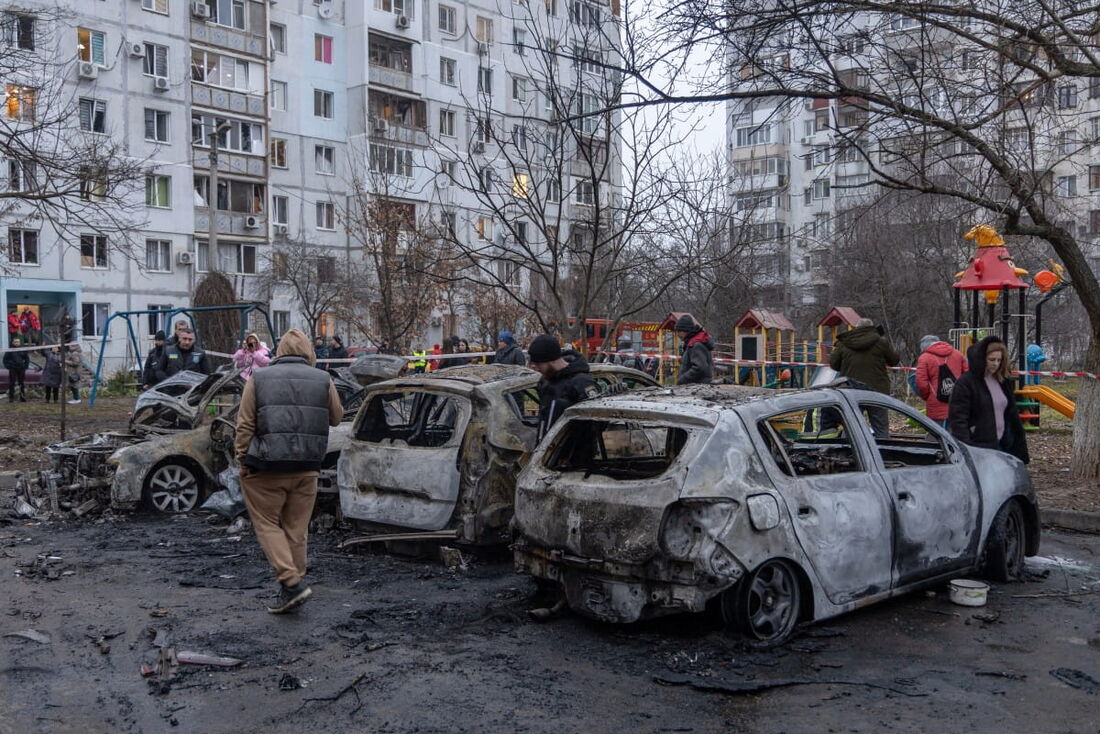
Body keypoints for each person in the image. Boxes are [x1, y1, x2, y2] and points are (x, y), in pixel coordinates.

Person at [234, 328, 344, 614]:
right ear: (309, 351)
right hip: (308, 465)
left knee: (267, 523)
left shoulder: (259, 378)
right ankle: (292, 588)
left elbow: (245, 424)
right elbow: (337, 417)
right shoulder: (323, 379)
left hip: (267, 465)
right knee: (296, 528)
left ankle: (291, 582)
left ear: (279, 351)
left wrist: (242, 458)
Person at [948, 336, 1029, 463]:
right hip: (979, 447)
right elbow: (958, 419)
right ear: (982, 359)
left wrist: (1017, 444)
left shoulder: (1003, 380)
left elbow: (1011, 414)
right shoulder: (966, 383)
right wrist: (967, 448)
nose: (996, 363)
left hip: (1004, 445)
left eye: (999, 360)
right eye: (992, 359)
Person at [829, 317, 899, 437]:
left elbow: (834, 364)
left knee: (851, 426)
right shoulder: (881, 342)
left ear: (856, 328)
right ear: (872, 328)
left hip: (851, 390)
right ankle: (884, 453)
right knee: (881, 428)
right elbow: (894, 361)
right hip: (877, 391)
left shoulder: (845, 343)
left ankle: (848, 453)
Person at [527, 334, 598, 439]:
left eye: (538, 363)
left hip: (575, 451)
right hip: (548, 451)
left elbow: (596, 423)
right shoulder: (545, 382)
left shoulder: (581, 383)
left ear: (551, 360)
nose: (535, 367)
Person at [915, 334, 965, 427]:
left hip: (935, 401)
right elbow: (967, 376)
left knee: (935, 433)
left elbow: (921, 383)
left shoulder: (925, 357)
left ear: (924, 347)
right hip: (957, 399)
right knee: (955, 432)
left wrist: (927, 397)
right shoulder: (958, 354)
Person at [673, 314, 714, 385]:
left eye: (679, 331)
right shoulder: (694, 343)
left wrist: (682, 380)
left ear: (685, 330)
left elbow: (699, 368)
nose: (678, 334)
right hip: (698, 385)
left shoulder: (696, 345)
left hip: (697, 386)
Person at [3, 337, 29, 402]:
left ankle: (22, 397)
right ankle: (11, 398)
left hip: (21, 368)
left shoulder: (22, 349)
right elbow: (5, 360)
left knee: (21, 383)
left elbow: (27, 359)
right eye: (15, 342)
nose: (17, 343)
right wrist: (9, 366)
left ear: (19, 342)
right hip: (13, 369)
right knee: (12, 383)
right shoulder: (10, 350)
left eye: (18, 342)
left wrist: (25, 366)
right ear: (13, 342)